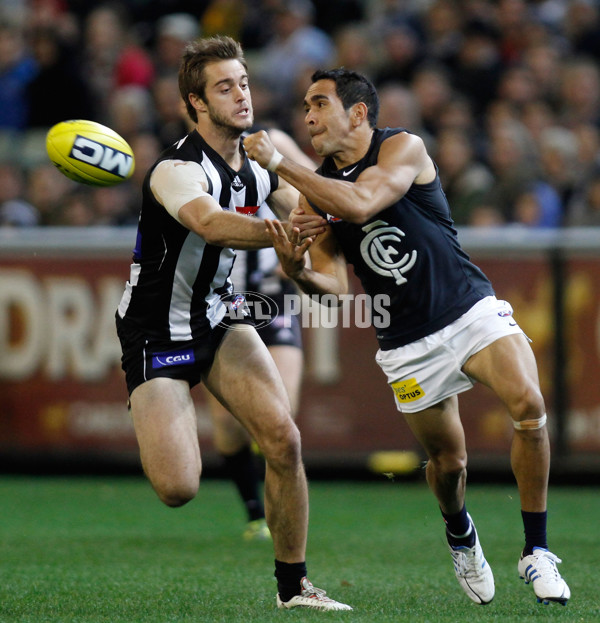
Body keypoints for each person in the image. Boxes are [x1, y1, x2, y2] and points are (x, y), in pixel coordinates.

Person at [243, 67, 570, 606]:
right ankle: (461, 532)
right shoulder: (312, 193)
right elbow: (335, 292)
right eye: (304, 106)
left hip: (468, 309)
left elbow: (362, 203)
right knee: (450, 464)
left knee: (529, 404)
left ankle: (536, 551)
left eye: (319, 104)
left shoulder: (402, 148)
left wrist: (280, 164)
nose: (307, 117)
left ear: (358, 112)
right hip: (406, 343)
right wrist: (295, 268)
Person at [115, 36, 350, 612]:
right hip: (155, 331)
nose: (241, 94)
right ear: (194, 103)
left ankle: (294, 589)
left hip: (219, 317)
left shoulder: (258, 164)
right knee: (178, 489)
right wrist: (290, 236)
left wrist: (326, 227)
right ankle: (156, 399)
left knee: (284, 439)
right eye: (224, 87)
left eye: (243, 82)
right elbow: (212, 223)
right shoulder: (175, 168)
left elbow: (312, 205)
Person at [206, 129, 314, 542]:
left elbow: (314, 183)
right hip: (222, 301)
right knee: (229, 423)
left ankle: (275, 509)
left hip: (273, 294)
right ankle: (254, 511)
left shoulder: (272, 143)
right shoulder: (188, 160)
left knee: (280, 411)